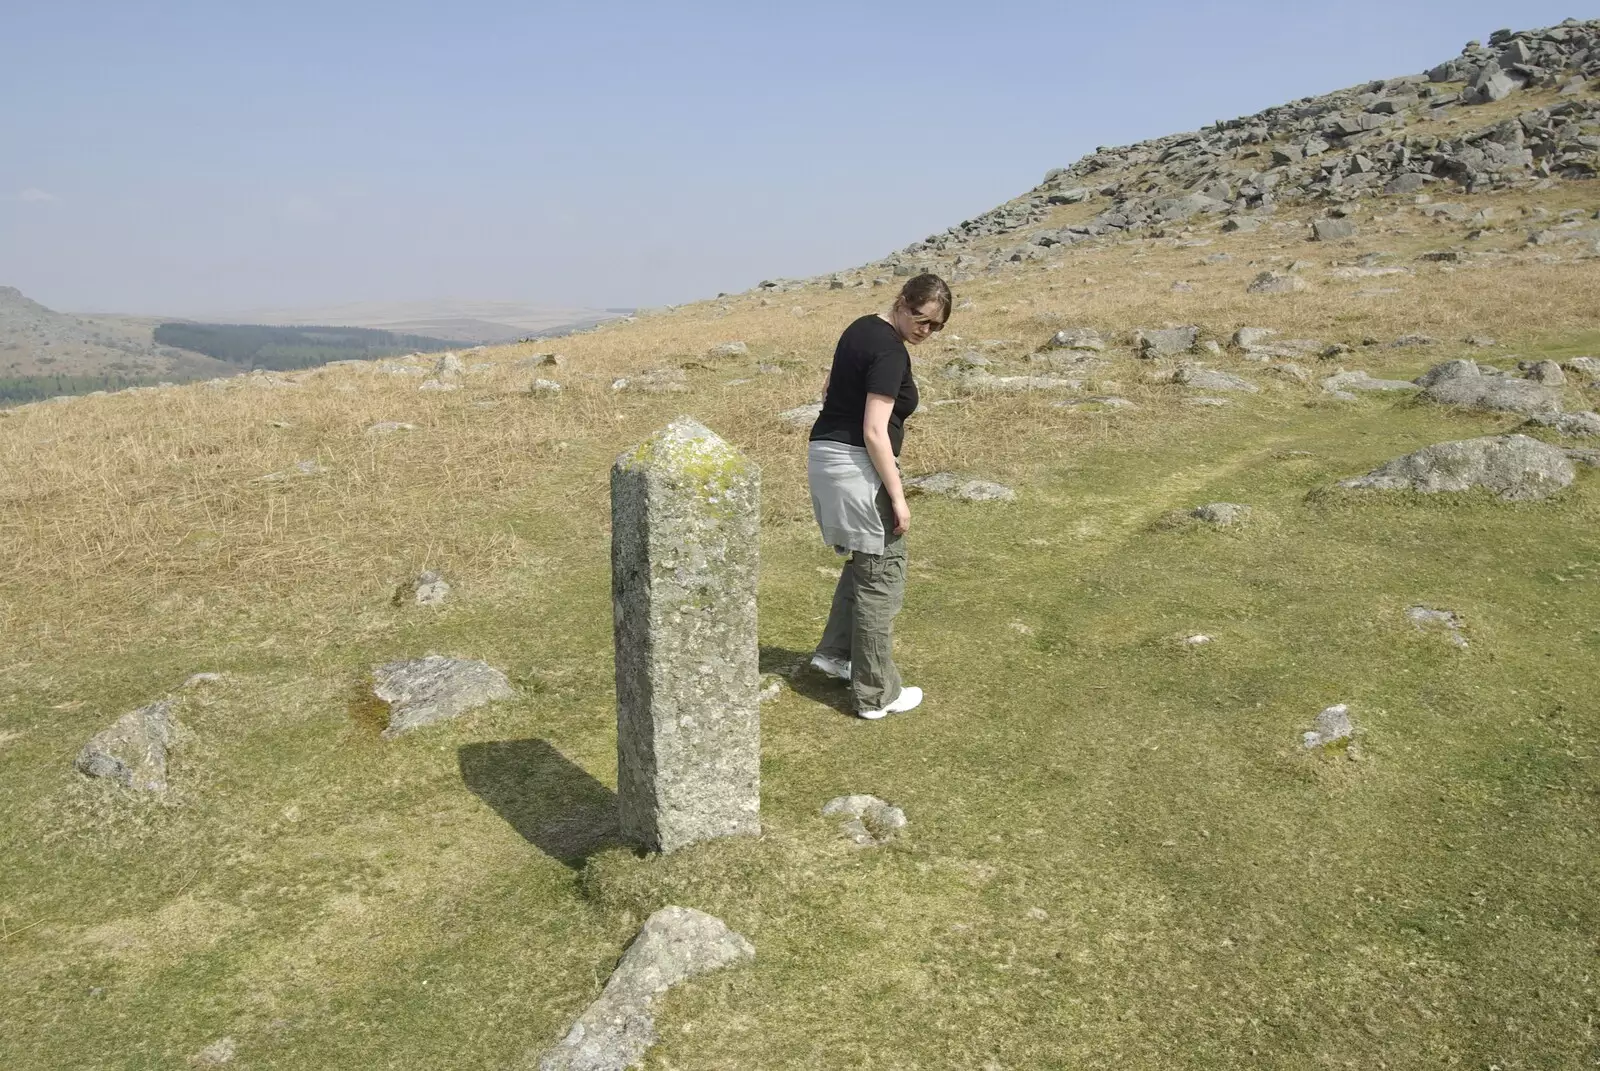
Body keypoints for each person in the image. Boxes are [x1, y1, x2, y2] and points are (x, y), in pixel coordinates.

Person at [805, 273, 951, 719]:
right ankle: (875, 695)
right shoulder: (889, 349)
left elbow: (829, 389)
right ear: (902, 302)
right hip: (857, 465)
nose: (925, 331)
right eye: (921, 319)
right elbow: (873, 430)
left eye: (935, 326)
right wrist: (899, 496)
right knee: (881, 575)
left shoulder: (859, 328)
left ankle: (835, 654)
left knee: (865, 563)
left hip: (826, 454)